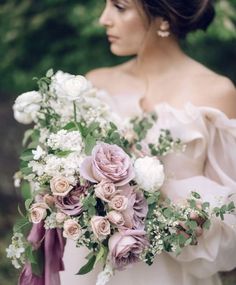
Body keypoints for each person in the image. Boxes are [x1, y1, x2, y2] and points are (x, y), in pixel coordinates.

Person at [60, 0, 236, 284]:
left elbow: (232, 209)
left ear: (163, 19)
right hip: (89, 268)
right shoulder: (95, 84)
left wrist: (195, 221)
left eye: (119, 6)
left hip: (170, 272)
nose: (103, 19)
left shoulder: (217, 93)